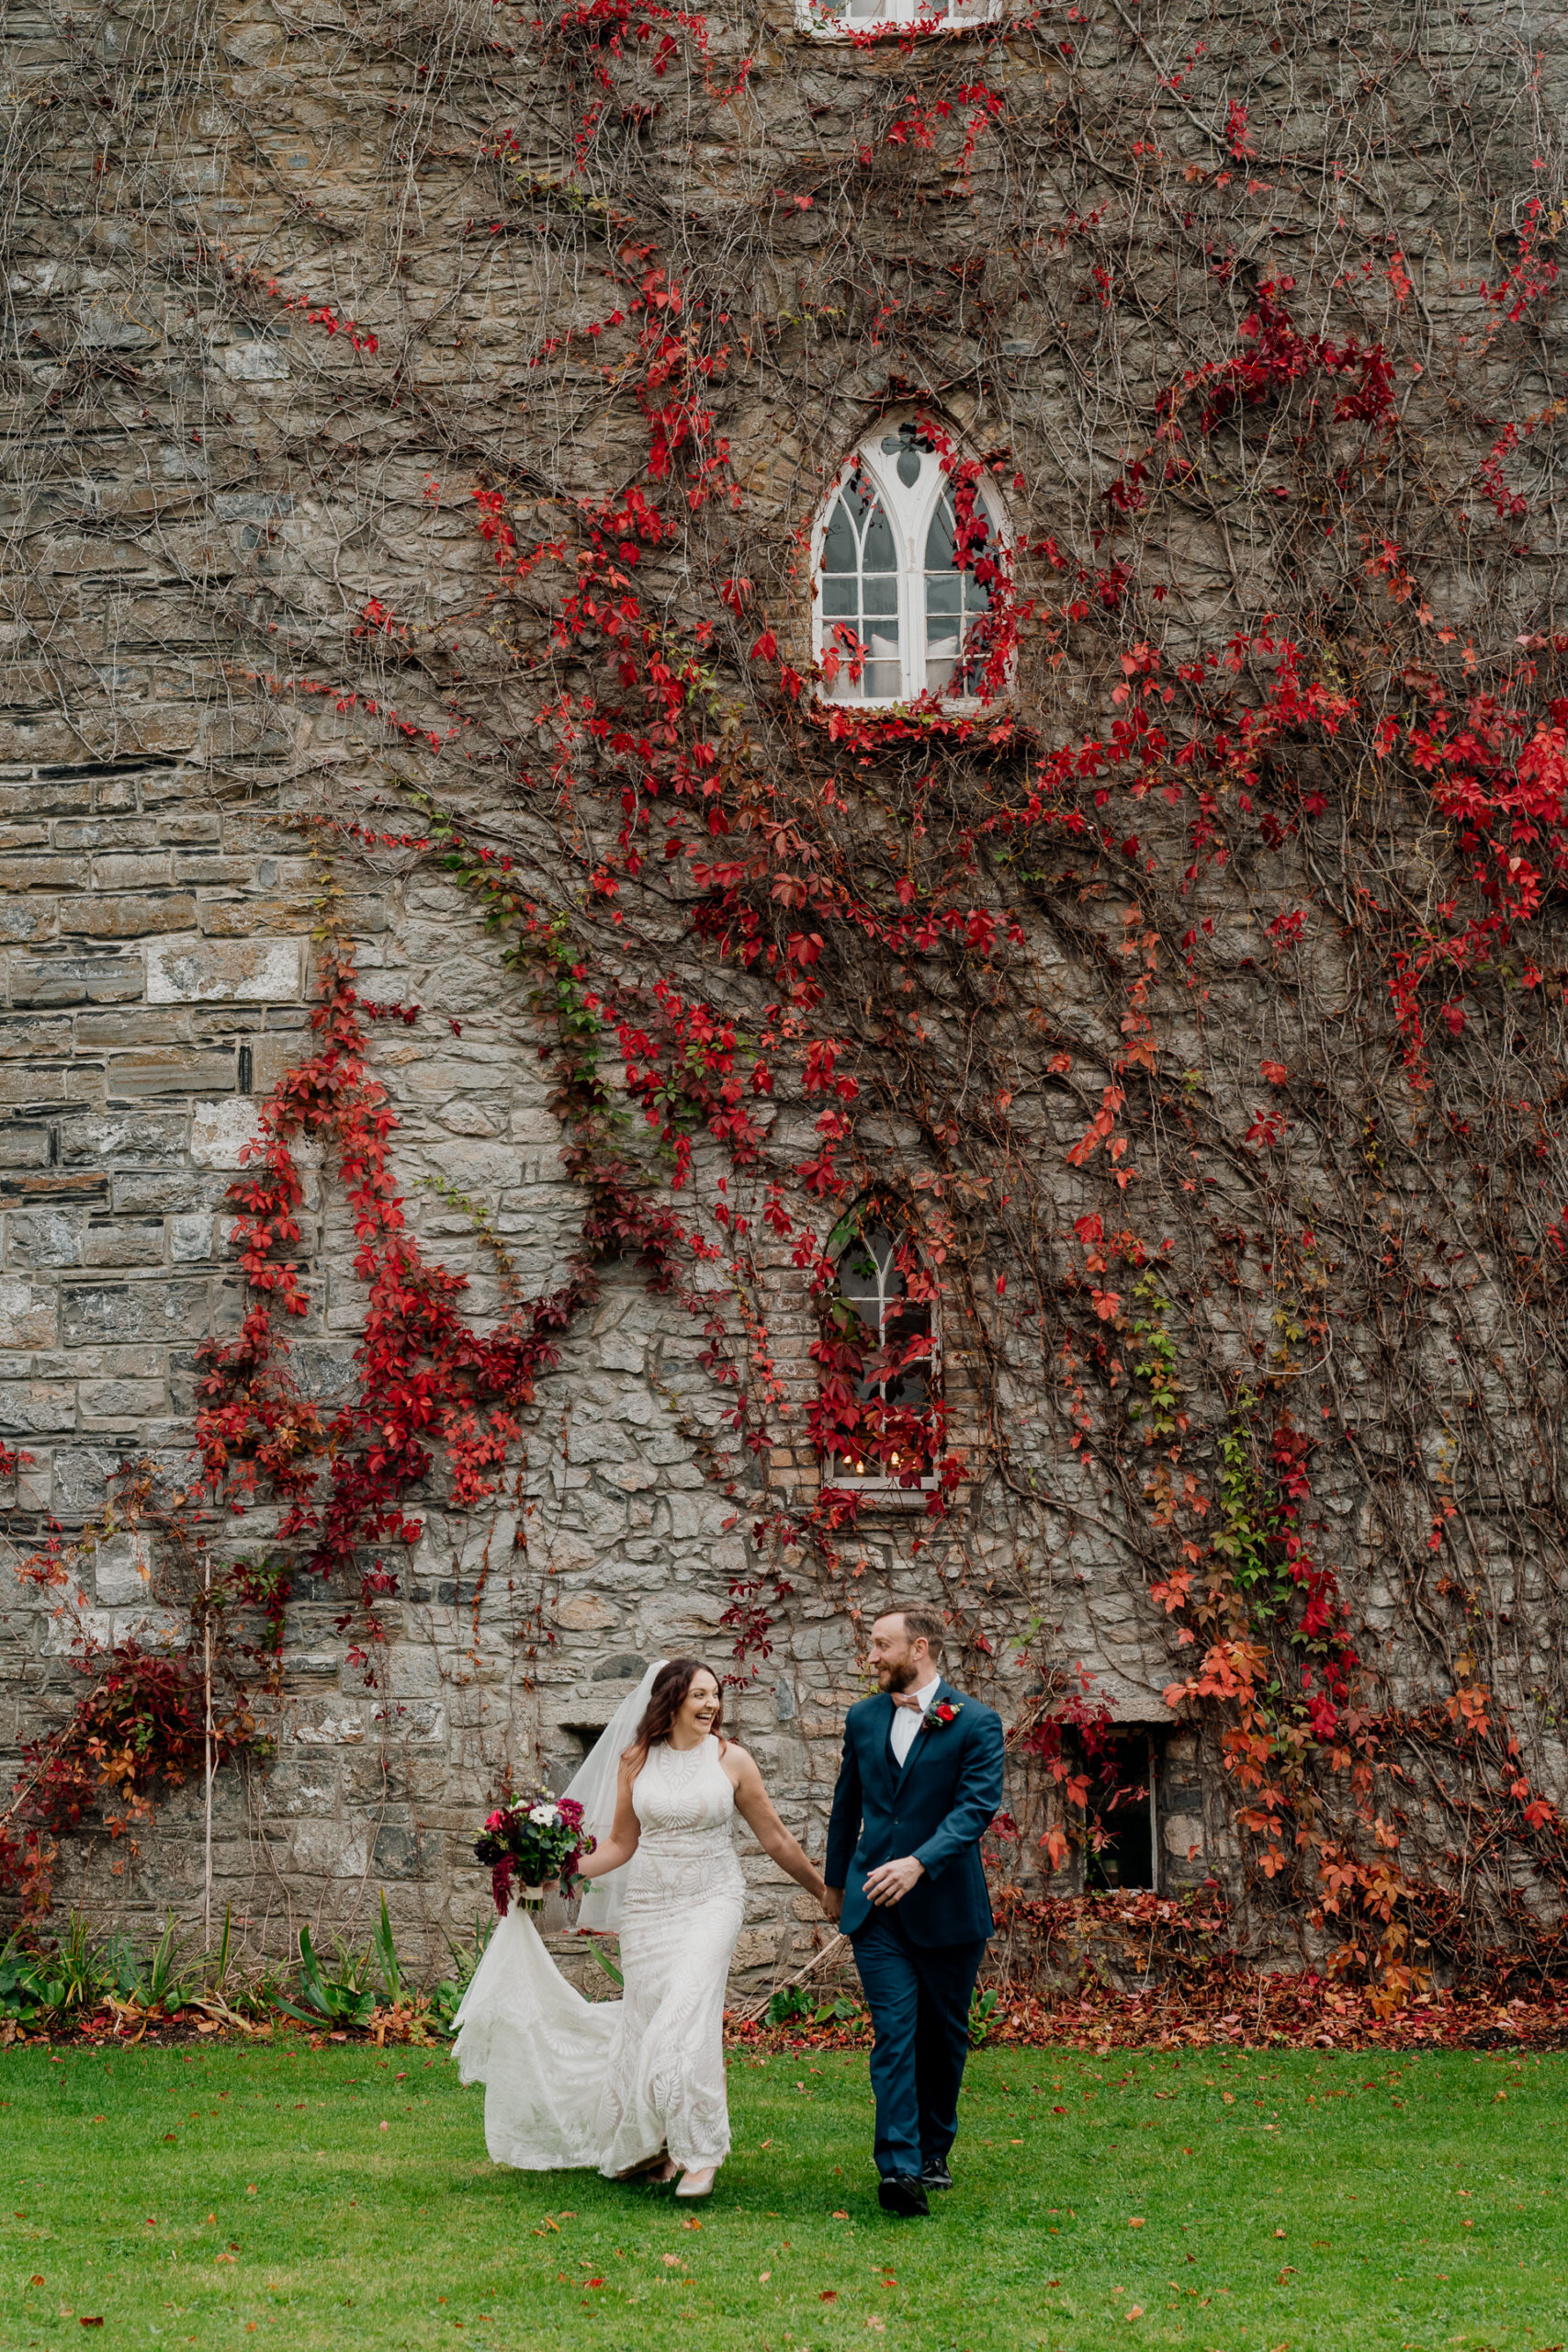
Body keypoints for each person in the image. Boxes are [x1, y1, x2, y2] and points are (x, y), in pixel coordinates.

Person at [453, 1657, 827, 2199]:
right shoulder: (635, 1760)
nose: (711, 1705)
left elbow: (776, 1839)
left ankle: (701, 2152)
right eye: (699, 1695)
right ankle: (653, 2141)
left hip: (711, 1899)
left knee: (686, 2014)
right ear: (670, 1700)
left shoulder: (732, 1760)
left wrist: (821, 1891)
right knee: (649, 2020)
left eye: (715, 1696)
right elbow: (621, 1845)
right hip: (649, 1908)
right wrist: (552, 1869)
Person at [824, 1607, 1005, 2216]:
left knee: (943, 2037)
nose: (870, 1657)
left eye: (880, 1645)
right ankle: (898, 2169)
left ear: (919, 1648)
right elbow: (845, 1806)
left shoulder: (975, 1722)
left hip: (948, 1907)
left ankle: (934, 2149)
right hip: (875, 1909)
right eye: (870, 1646)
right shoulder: (862, 1717)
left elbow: (973, 1810)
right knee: (894, 2034)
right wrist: (833, 1887)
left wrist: (919, 1863)